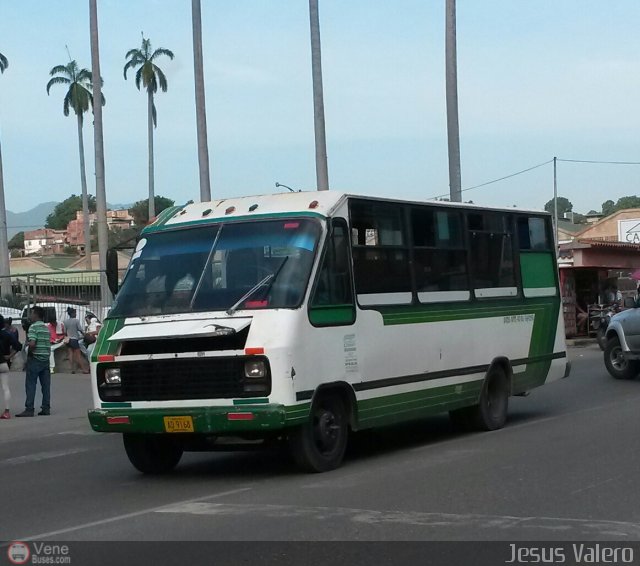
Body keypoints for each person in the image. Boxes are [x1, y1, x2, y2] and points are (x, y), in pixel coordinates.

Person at [16, 306, 51, 417]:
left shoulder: (33, 327)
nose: (30, 315)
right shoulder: (46, 328)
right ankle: (46, 408)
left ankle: (29, 408)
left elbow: (32, 343)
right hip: (45, 359)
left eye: (31, 313)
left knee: (31, 384)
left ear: (36, 314)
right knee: (45, 386)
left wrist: (29, 352)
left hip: (35, 359)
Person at [0, 315, 21, 419]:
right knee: (5, 387)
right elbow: (18, 346)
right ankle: (7, 411)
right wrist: (9, 356)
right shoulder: (8, 334)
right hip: (4, 363)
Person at [64, 307, 89, 374]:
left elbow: (64, 331)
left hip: (68, 340)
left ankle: (72, 369)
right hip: (74, 340)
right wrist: (84, 335)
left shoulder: (65, 321)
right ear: (72, 313)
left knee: (70, 354)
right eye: (75, 313)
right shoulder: (76, 321)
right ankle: (84, 369)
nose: (76, 314)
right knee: (78, 355)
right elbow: (80, 329)